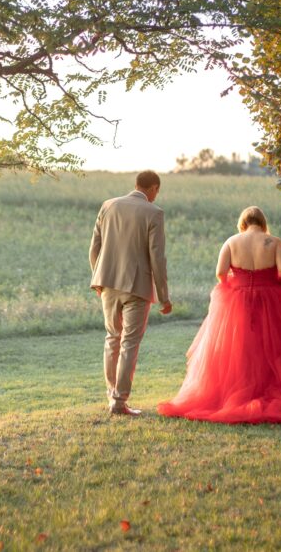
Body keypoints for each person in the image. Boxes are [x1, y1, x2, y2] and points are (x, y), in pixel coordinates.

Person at [158, 206, 281, 425]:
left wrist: (236, 284)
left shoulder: (231, 242)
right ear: (262, 222)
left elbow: (220, 273)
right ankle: (270, 391)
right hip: (272, 301)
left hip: (236, 301)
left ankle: (236, 395)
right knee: (278, 348)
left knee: (238, 349)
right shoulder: (275, 242)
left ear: (243, 223)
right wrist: (272, 284)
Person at [90, 170, 173, 416]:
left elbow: (95, 246)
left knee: (112, 338)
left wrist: (98, 278)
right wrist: (164, 296)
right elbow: (157, 257)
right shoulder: (154, 212)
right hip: (137, 286)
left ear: (136, 184)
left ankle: (112, 396)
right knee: (129, 343)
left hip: (107, 284)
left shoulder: (108, 206)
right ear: (154, 188)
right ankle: (119, 402)